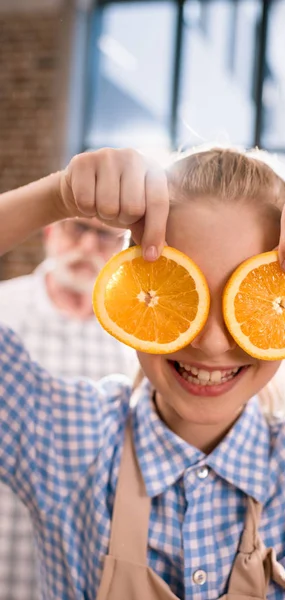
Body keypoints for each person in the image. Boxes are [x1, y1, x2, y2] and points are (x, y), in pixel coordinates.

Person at [0, 146, 285, 600]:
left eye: (242, 300)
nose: (210, 342)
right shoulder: (66, 441)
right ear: (137, 291)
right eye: (179, 296)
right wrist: (58, 196)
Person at [0, 217, 138, 599]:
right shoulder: (3, 309)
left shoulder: (132, 337)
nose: (89, 246)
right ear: (49, 231)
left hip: (82, 565)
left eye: (105, 236)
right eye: (78, 229)